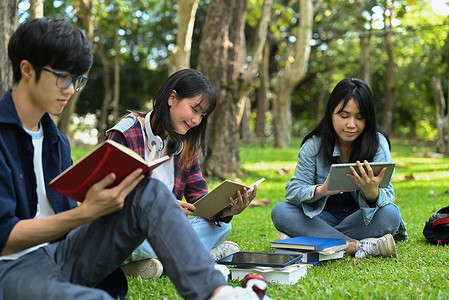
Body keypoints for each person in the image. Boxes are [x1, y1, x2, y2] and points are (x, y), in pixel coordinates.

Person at [0, 17, 261, 300]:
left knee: (148, 191)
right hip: (12, 267)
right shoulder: (8, 137)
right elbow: (5, 237)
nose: (71, 89)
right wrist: (87, 212)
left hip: (62, 254)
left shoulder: (56, 142)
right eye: (63, 77)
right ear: (27, 69)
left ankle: (217, 293)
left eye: (78, 80)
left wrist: (224, 209)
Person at [106, 68, 258, 279]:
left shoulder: (185, 145)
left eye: (202, 115)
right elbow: (106, 195)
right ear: (172, 97)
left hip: (165, 230)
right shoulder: (126, 134)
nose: (196, 120)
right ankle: (201, 257)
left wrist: (227, 210)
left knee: (220, 229)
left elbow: (200, 201)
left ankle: (149, 266)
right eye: (194, 109)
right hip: (128, 229)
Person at [271, 78, 407, 259]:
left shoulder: (378, 143)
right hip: (321, 217)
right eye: (344, 116)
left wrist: (371, 193)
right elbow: (293, 191)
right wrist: (321, 190)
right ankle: (357, 246)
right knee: (281, 211)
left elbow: (388, 195)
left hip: (361, 219)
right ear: (331, 113)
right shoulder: (314, 145)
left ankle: (306, 240)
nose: (351, 124)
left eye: (359, 117)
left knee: (391, 214)